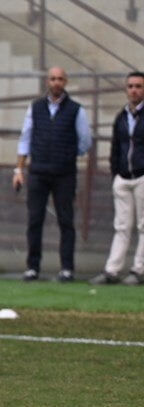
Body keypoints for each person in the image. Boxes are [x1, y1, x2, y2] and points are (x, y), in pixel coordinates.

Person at [12, 66, 93, 282]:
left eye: (60, 79)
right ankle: (32, 267)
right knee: (34, 219)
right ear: (47, 82)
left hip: (64, 174)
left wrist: (66, 154)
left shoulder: (76, 109)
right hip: (38, 171)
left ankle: (67, 268)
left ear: (65, 82)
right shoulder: (36, 107)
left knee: (66, 220)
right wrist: (19, 169)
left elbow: (84, 141)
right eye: (52, 79)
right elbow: (25, 138)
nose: (56, 83)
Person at [91, 71, 144, 286]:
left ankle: (139, 270)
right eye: (130, 86)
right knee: (121, 226)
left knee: (143, 225)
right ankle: (112, 270)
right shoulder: (122, 116)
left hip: (142, 176)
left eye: (139, 86)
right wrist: (116, 172)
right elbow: (116, 146)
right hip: (123, 177)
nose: (134, 90)